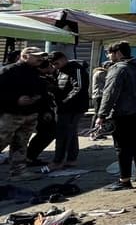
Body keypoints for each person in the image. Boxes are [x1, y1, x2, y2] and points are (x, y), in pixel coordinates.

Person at [96, 41, 136, 190]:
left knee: (122, 147)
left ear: (118, 53)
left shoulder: (118, 69)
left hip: (124, 113)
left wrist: (101, 115)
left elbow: (110, 93)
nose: (108, 55)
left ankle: (124, 179)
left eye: (110, 53)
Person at [0, 47, 50, 180]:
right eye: (36, 56)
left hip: (30, 114)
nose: (40, 59)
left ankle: (19, 171)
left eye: (41, 56)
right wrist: (16, 99)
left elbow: (43, 93)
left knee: (21, 144)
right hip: (10, 114)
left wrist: (44, 110)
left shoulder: (37, 73)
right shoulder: (8, 71)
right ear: (25, 56)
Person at [48, 51, 90, 169]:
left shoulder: (75, 69)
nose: (55, 66)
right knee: (69, 133)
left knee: (64, 134)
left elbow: (79, 88)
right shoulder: (60, 71)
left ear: (63, 59)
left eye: (56, 63)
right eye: (53, 64)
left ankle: (58, 160)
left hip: (72, 107)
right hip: (64, 107)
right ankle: (70, 159)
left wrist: (65, 101)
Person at [24, 59, 58, 166]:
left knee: (46, 133)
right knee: (47, 133)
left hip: (42, 110)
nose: (51, 68)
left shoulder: (43, 78)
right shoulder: (38, 79)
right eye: (49, 66)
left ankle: (29, 156)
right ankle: (29, 157)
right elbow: (41, 97)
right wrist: (46, 111)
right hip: (40, 111)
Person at [90, 62, 112, 131]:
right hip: (99, 95)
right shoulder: (101, 73)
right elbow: (109, 82)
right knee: (98, 114)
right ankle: (93, 131)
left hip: (98, 95)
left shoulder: (99, 72)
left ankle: (98, 131)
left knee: (99, 114)